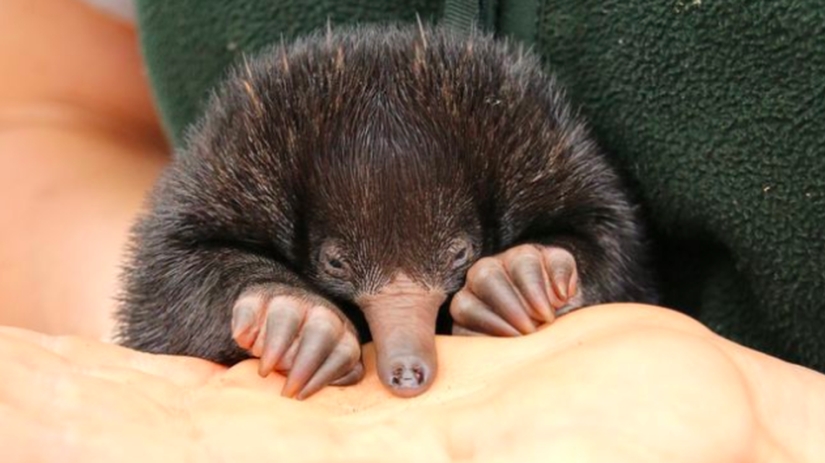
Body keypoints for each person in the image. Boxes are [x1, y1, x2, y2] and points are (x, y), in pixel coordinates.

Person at [1, 1, 823, 461]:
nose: (405, 357)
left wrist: (565, 274)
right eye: (337, 261)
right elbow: (49, 113)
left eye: (455, 257)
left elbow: (599, 236)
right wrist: (246, 313)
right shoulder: (247, 177)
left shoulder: (529, 159)